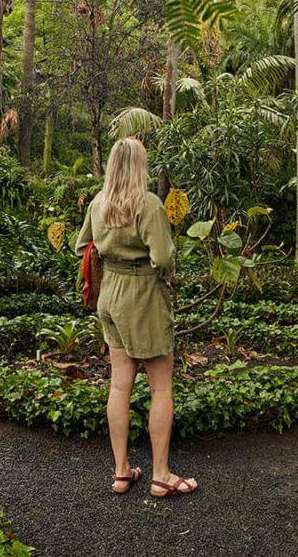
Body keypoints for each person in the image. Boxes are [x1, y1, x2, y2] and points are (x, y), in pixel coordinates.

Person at [74, 137, 198, 498]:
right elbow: (162, 257)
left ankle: (121, 471)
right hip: (142, 295)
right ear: (140, 166)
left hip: (109, 295)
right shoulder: (147, 204)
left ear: (112, 165)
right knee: (160, 387)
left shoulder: (99, 203)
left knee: (118, 385)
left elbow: (82, 246)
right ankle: (161, 476)